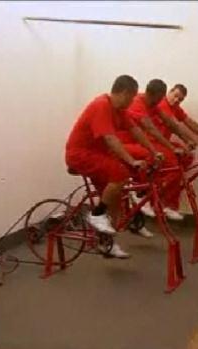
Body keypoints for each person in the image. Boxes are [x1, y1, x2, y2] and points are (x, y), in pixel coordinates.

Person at [65, 75, 160, 258]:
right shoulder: (101, 105)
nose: (133, 101)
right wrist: (131, 161)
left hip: (96, 155)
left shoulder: (119, 110)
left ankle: (106, 243)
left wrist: (153, 151)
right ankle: (96, 214)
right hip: (80, 154)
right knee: (121, 173)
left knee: (115, 197)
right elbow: (110, 138)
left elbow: (135, 130)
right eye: (132, 97)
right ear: (124, 93)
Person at [124, 79, 188, 221]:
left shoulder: (155, 103)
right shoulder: (138, 103)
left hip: (142, 142)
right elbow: (151, 129)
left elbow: (172, 124)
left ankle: (161, 197)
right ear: (153, 95)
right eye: (175, 95)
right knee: (168, 163)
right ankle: (142, 193)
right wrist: (170, 148)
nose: (162, 101)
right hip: (128, 143)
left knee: (184, 158)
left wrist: (191, 141)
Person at [154, 84, 198, 213]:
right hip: (153, 143)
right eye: (175, 96)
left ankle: (166, 193)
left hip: (163, 143)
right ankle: (160, 190)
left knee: (187, 157)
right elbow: (177, 126)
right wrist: (195, 142)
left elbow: (189, 123)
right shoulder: (162, 105)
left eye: (180, 99)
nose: (177, 100)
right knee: (176, 169)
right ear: (170, 91)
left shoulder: (175, 108)